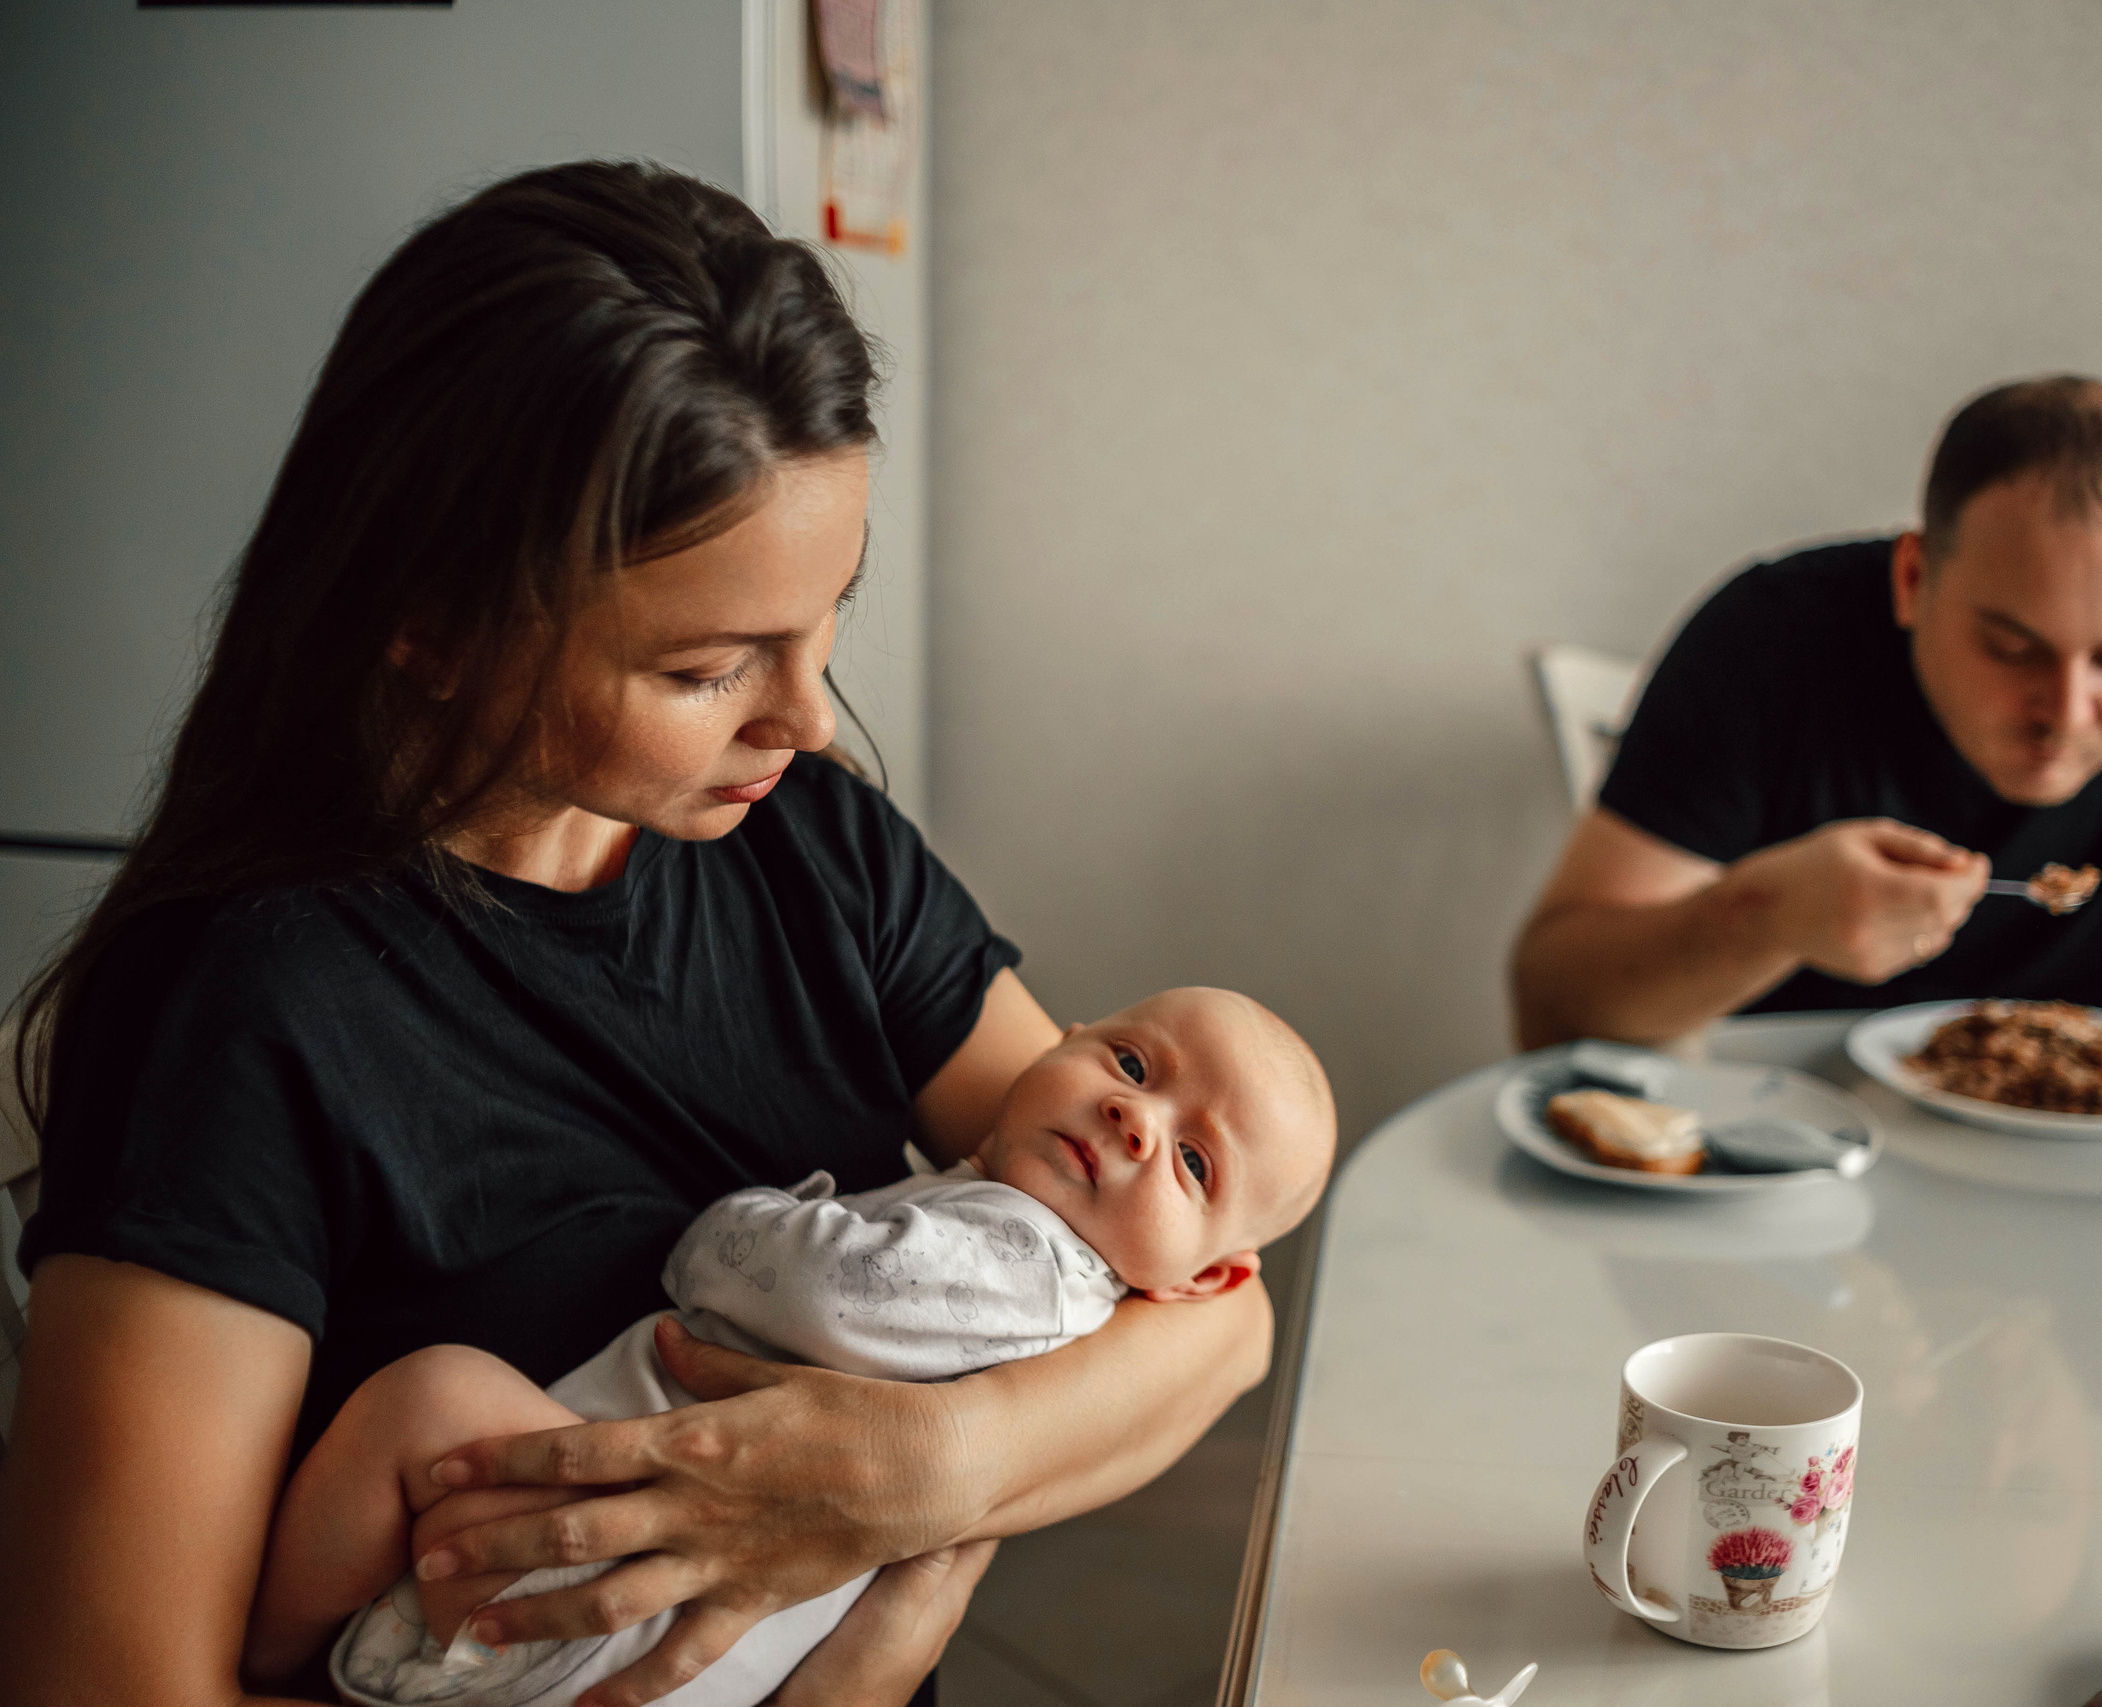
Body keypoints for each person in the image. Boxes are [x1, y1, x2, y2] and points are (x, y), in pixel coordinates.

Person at [1, 162, 1281, 1707]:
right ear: (434, 626)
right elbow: (108, 1680)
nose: (806, 718)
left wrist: (915, 1467)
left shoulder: (820, 846)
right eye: (708, 666)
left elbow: (1213, 1308)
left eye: (826, 621)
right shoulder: (241, 1004)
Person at [245, 988, 1335, 1707]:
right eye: (1133, 1062)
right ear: (1060, 1039)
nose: (1137, 1120)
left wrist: (738, 1226)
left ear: (1203, 1277)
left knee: (431, 1400)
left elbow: (809, 1285)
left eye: (1195, 1165)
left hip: (629, 1586)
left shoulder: (1027, 1261)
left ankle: (265, 1661)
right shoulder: (1022, 1245)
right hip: (682, 1636)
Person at [1510, 377, 2102, 1112]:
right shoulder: (1768, 638)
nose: (2069, 711)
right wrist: (1767, 915)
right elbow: (1553, 994)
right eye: (2011, 648)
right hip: (1767, 1144)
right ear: (1915, 578)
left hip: (2066, 1165)